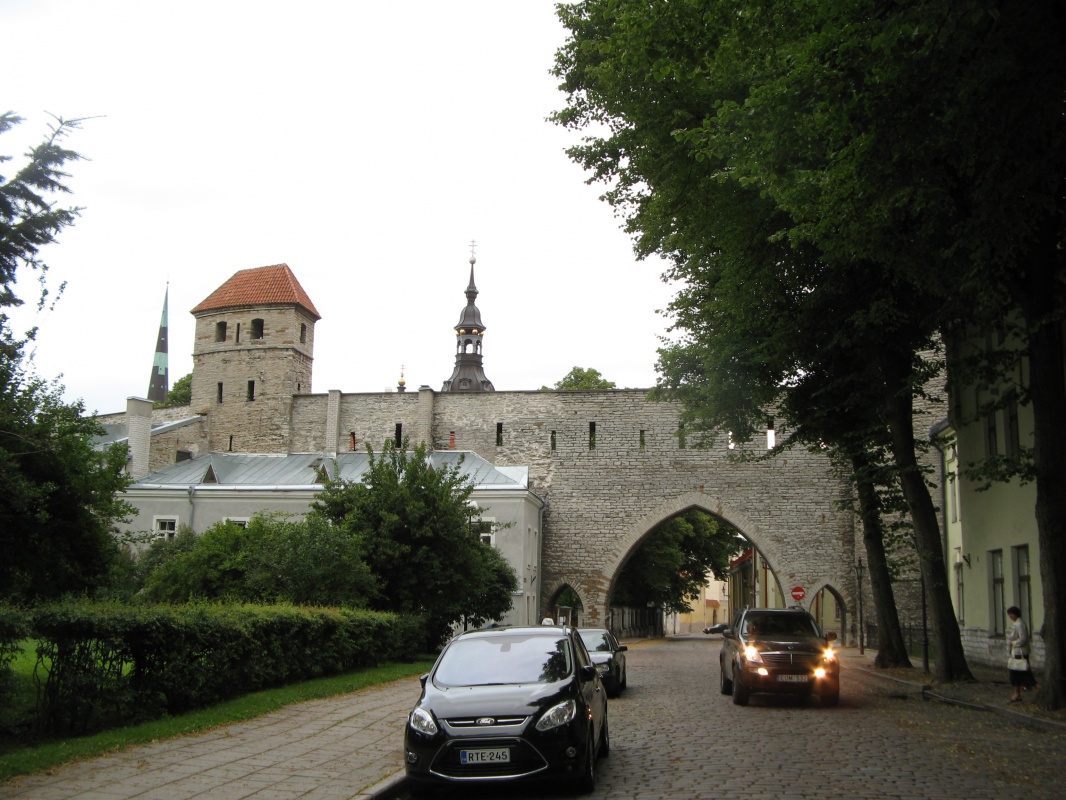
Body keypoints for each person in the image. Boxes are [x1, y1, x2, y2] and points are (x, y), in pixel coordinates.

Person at [1006, 606, 1038, 702]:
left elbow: (1023, 639)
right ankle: (1017, 693)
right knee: (1016, 674)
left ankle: (1036, 686)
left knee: (1023, 672)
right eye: (1009, 615)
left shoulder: (1020, 624)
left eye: (1011, 615)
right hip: (1015, 653)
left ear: (1016, 614)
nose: (1010, 617)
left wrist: (1013, 643)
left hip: (1021, 653)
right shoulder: (1016, 624)